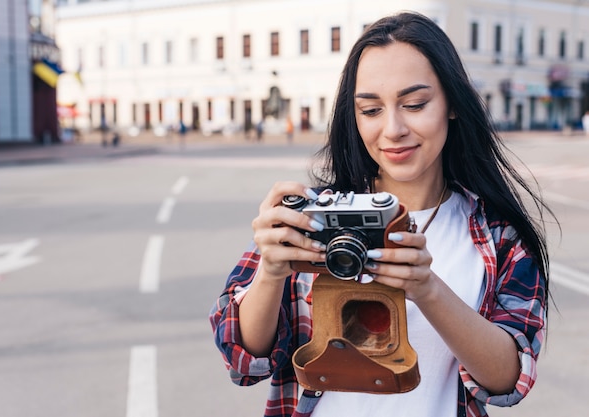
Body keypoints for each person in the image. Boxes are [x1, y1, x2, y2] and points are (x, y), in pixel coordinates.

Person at [210, 11, 553, 417]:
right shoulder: (316, 216)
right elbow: (243, 359)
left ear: (453, 105)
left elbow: (508, 380)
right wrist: (270, 271)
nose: (392, 129)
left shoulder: (497, 236)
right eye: (370, 110)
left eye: (414, 104)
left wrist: (427, 288)